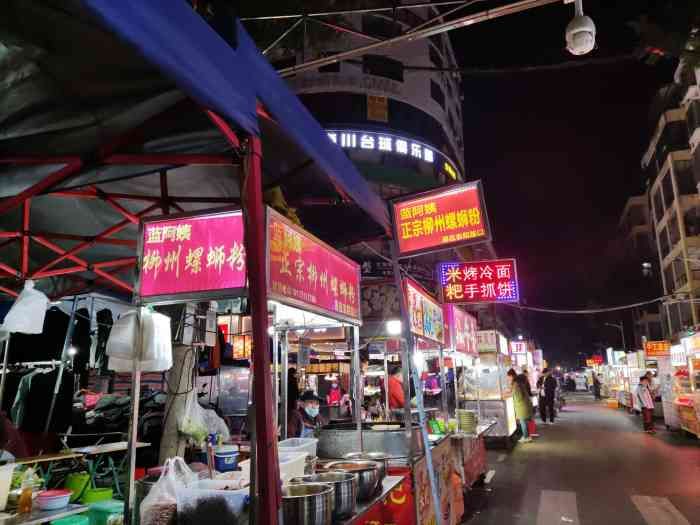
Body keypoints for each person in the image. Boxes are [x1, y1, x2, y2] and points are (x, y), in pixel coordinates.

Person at [508, 369, 534, 443]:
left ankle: (526, 437)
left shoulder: (516, 384)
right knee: (524, 421)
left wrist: (511, 395)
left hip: (521, 406)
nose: (508, 379)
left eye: (508, 377)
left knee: (523, 421)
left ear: (511, 376)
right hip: (524, 405)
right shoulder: (519, 384)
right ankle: (527, 436)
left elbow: (518, 397)